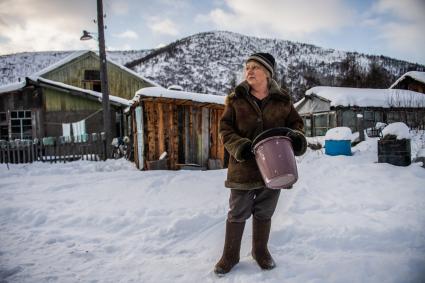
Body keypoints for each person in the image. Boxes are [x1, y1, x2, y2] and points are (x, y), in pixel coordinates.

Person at [214, 52, 307, 274]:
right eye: (247, 67)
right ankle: (230, 255)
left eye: (255, 67)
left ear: (267, 72)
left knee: (265, 211)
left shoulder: (283, 100)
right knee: (238, 211)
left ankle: (260, 251)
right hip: (243, 166)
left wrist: (296, 137)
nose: (249, 71)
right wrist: (240, 146)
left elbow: (297, 124)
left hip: (276, 165)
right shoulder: (235, 100)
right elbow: (225, 130)